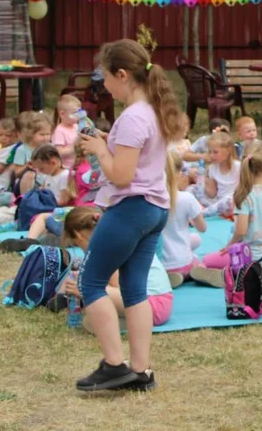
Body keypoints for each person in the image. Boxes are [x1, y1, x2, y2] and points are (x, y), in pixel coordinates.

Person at [74, 38, 181, 393]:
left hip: (131, 208)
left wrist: (99, 148)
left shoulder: (134, 116)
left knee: (91, 281)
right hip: (155, 209)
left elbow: (120, 175)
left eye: (105, 77)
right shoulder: (151, 109)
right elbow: (140, 156)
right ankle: (140, 369)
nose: (103, 85)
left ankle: (113, 365)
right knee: (135, 289)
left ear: (122, 75)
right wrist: (109, 142)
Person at [193, 143, 262, 286]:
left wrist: (229, 246)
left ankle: (229, 274)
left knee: (208, 260)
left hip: (247, 254)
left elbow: (241, 230)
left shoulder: (244, 196)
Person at [160, 151, 206, 288]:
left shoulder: (150, 199)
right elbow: (203, 228)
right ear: (179, 173)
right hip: (185, 261)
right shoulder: (187, 198)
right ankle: (198, 269)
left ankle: (169, 277)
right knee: (196, 242)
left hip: (162, 264)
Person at [200, 132, 241, 216]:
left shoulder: (238, 167)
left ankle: (202, 213)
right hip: (219, 203)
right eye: (210, 152)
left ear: (227, 152)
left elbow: (245, 188)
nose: (211, 155)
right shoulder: (212, 169)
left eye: (215, 152)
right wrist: (202, 178)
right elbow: (212, 194)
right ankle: (202, 210)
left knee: (228, 199)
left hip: (233, 202)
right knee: (192, 189)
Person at [52, 95, 83, 169]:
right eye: (75, 113)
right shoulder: (59, 131)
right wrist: (75, 146)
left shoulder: (76, 126)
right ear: (62, 114)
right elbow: (58, 153)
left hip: (79, 164)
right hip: (67, 167)